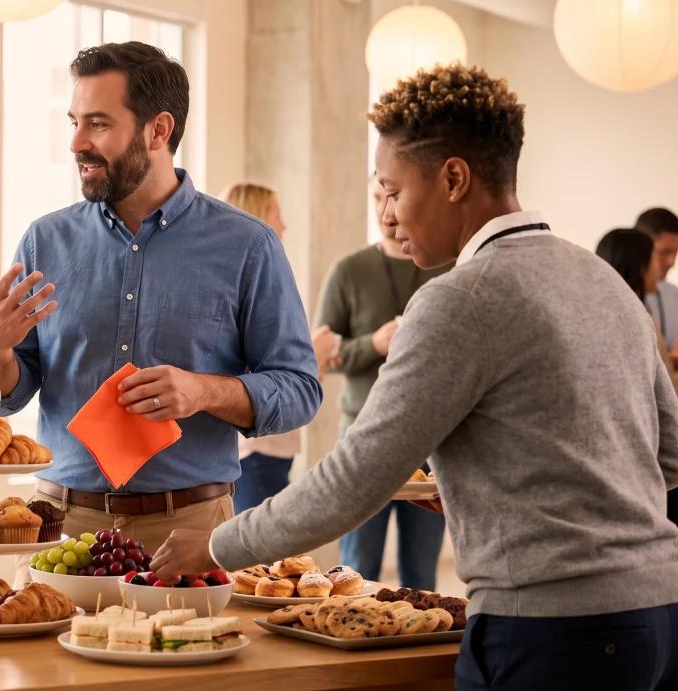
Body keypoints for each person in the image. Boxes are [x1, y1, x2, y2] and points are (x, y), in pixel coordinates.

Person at [154, 64, 678, 690]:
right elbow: (667, 458)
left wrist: (216, 545)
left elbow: (356, 478)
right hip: (656, 614)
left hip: (549, 628)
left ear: (454, 179)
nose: (389, 215)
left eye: (393, 191)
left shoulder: (460, 297)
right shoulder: (604, 280)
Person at [0, 42, 322, 554]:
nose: (76, 143)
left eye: (98, 124)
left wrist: (205, 391)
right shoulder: (45, 241)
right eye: (74, 122)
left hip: (193, 531)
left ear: (159, 130)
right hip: (58, 527)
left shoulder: (248, 246)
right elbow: (11, 392)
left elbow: (299, 389)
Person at [318, 177, 451, 589]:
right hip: (362, 436)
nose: (384, 210)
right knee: (355, 573)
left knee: (421, 577)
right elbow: (319, 354)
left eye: (392, 197)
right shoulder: (348, 270)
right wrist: (373, 344)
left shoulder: (448, 269)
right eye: (376, 197)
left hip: (431, 443)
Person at [219, 182, 340, 514]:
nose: (284, 225)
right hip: (257, 452)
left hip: (271, 449)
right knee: (260, 544)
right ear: (256, 216)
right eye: (277, 214)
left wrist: (309, 365)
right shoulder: (241, 283)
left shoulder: (261, 278)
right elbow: (247, 369)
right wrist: (312, 354)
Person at [596, 227, 678, 527]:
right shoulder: (636, 317)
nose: (666, 265)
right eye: (659, 256)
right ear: (639, 266)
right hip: (645, 460)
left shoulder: (595, 314)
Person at [636, 207, 678, 360]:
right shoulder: (617, 295)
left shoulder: (674, 295)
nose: (672, 262)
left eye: (675, 253)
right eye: (664, 252)